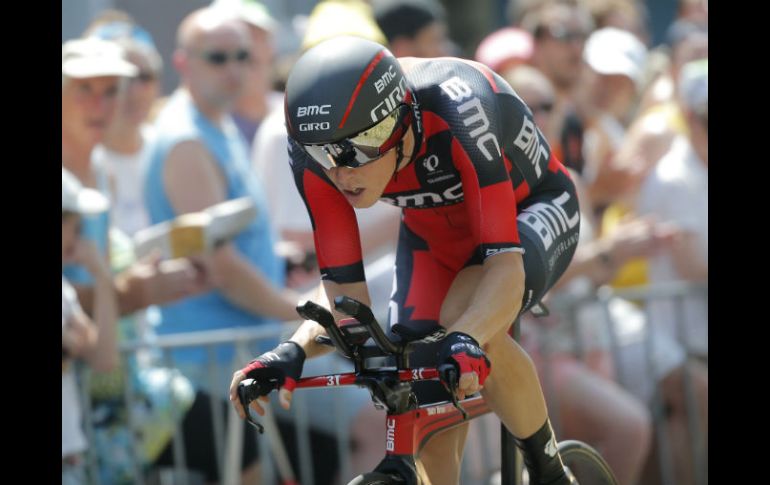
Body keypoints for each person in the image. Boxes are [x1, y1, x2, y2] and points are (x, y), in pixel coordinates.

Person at [231, 37, 582, 485]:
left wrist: (469, 335)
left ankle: (552, 473)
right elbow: (345, 296)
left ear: (394, 125)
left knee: (463, 323)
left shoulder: (458, 107)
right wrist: (290, 351)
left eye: (356, 149)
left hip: (528, 211)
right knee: (424, 390)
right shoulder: (316, 151)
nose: (340, 173)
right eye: (324, 154)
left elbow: (503, 267)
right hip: (435, 230)